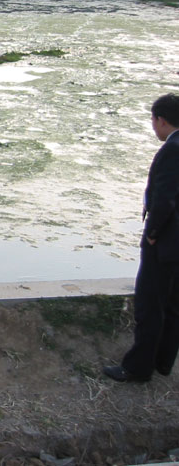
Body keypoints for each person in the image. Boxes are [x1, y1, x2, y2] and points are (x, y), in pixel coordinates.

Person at [104, 93, 179, 383]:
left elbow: (164, 199)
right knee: (173, 305)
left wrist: (152, 234)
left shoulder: (172, 150)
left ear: (160, 119)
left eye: (153, 120)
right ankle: (163, 361)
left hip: (166, 244)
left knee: (150, 305)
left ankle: (137, 368)